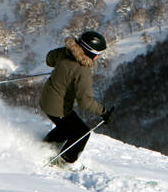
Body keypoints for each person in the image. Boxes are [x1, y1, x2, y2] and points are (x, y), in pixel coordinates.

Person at [38, 31, 114, 166]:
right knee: (81, 133)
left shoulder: (65, 52)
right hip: (58, 108)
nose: (97, 57)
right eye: (98, 54)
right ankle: (64, 162)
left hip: (46, 99)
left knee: (65, 128)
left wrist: (62, 70)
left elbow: (50, 59)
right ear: (91, 52)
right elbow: (85, 102)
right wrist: (104, 112)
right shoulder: (83, 71)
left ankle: (42, 149)